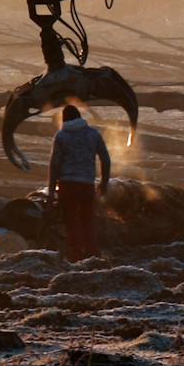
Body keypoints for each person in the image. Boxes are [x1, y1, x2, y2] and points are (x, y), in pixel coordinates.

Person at [47, 104, 111, 261]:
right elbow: (105, 159)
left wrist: (51, 190)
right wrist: (104, 182)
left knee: (71, 222)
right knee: (87, 221)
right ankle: (93, 256)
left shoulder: (61, 136)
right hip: (87, 184)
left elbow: (55, 165)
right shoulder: (93, 134)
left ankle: (75, 257)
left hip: (67, 184)